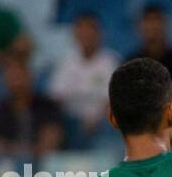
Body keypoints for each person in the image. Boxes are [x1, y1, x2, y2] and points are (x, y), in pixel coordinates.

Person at [48, 11, 121, 142]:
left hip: (102, 122)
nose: (86, 34)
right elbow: (56, 99)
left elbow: (114, 101)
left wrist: (95, 119)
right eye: (82, 29)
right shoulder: (65, 63)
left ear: (99, 33)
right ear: (75, 34)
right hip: (70, 122)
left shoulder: (111, 61)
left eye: (91, 29)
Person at [0, 56, 65, 159]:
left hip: (41, 167)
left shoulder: (48, 106)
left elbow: (51, 139)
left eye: (20, 76)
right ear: (5, 80)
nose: (17, 82)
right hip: (7, 168)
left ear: (29, 77)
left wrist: (27, 152)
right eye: (12, 77)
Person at [126, 4, 172, 98]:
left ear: (165, 25)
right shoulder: (130, 63)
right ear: (139, 27)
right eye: (148, 21)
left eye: (156, 21)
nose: (152, 26)